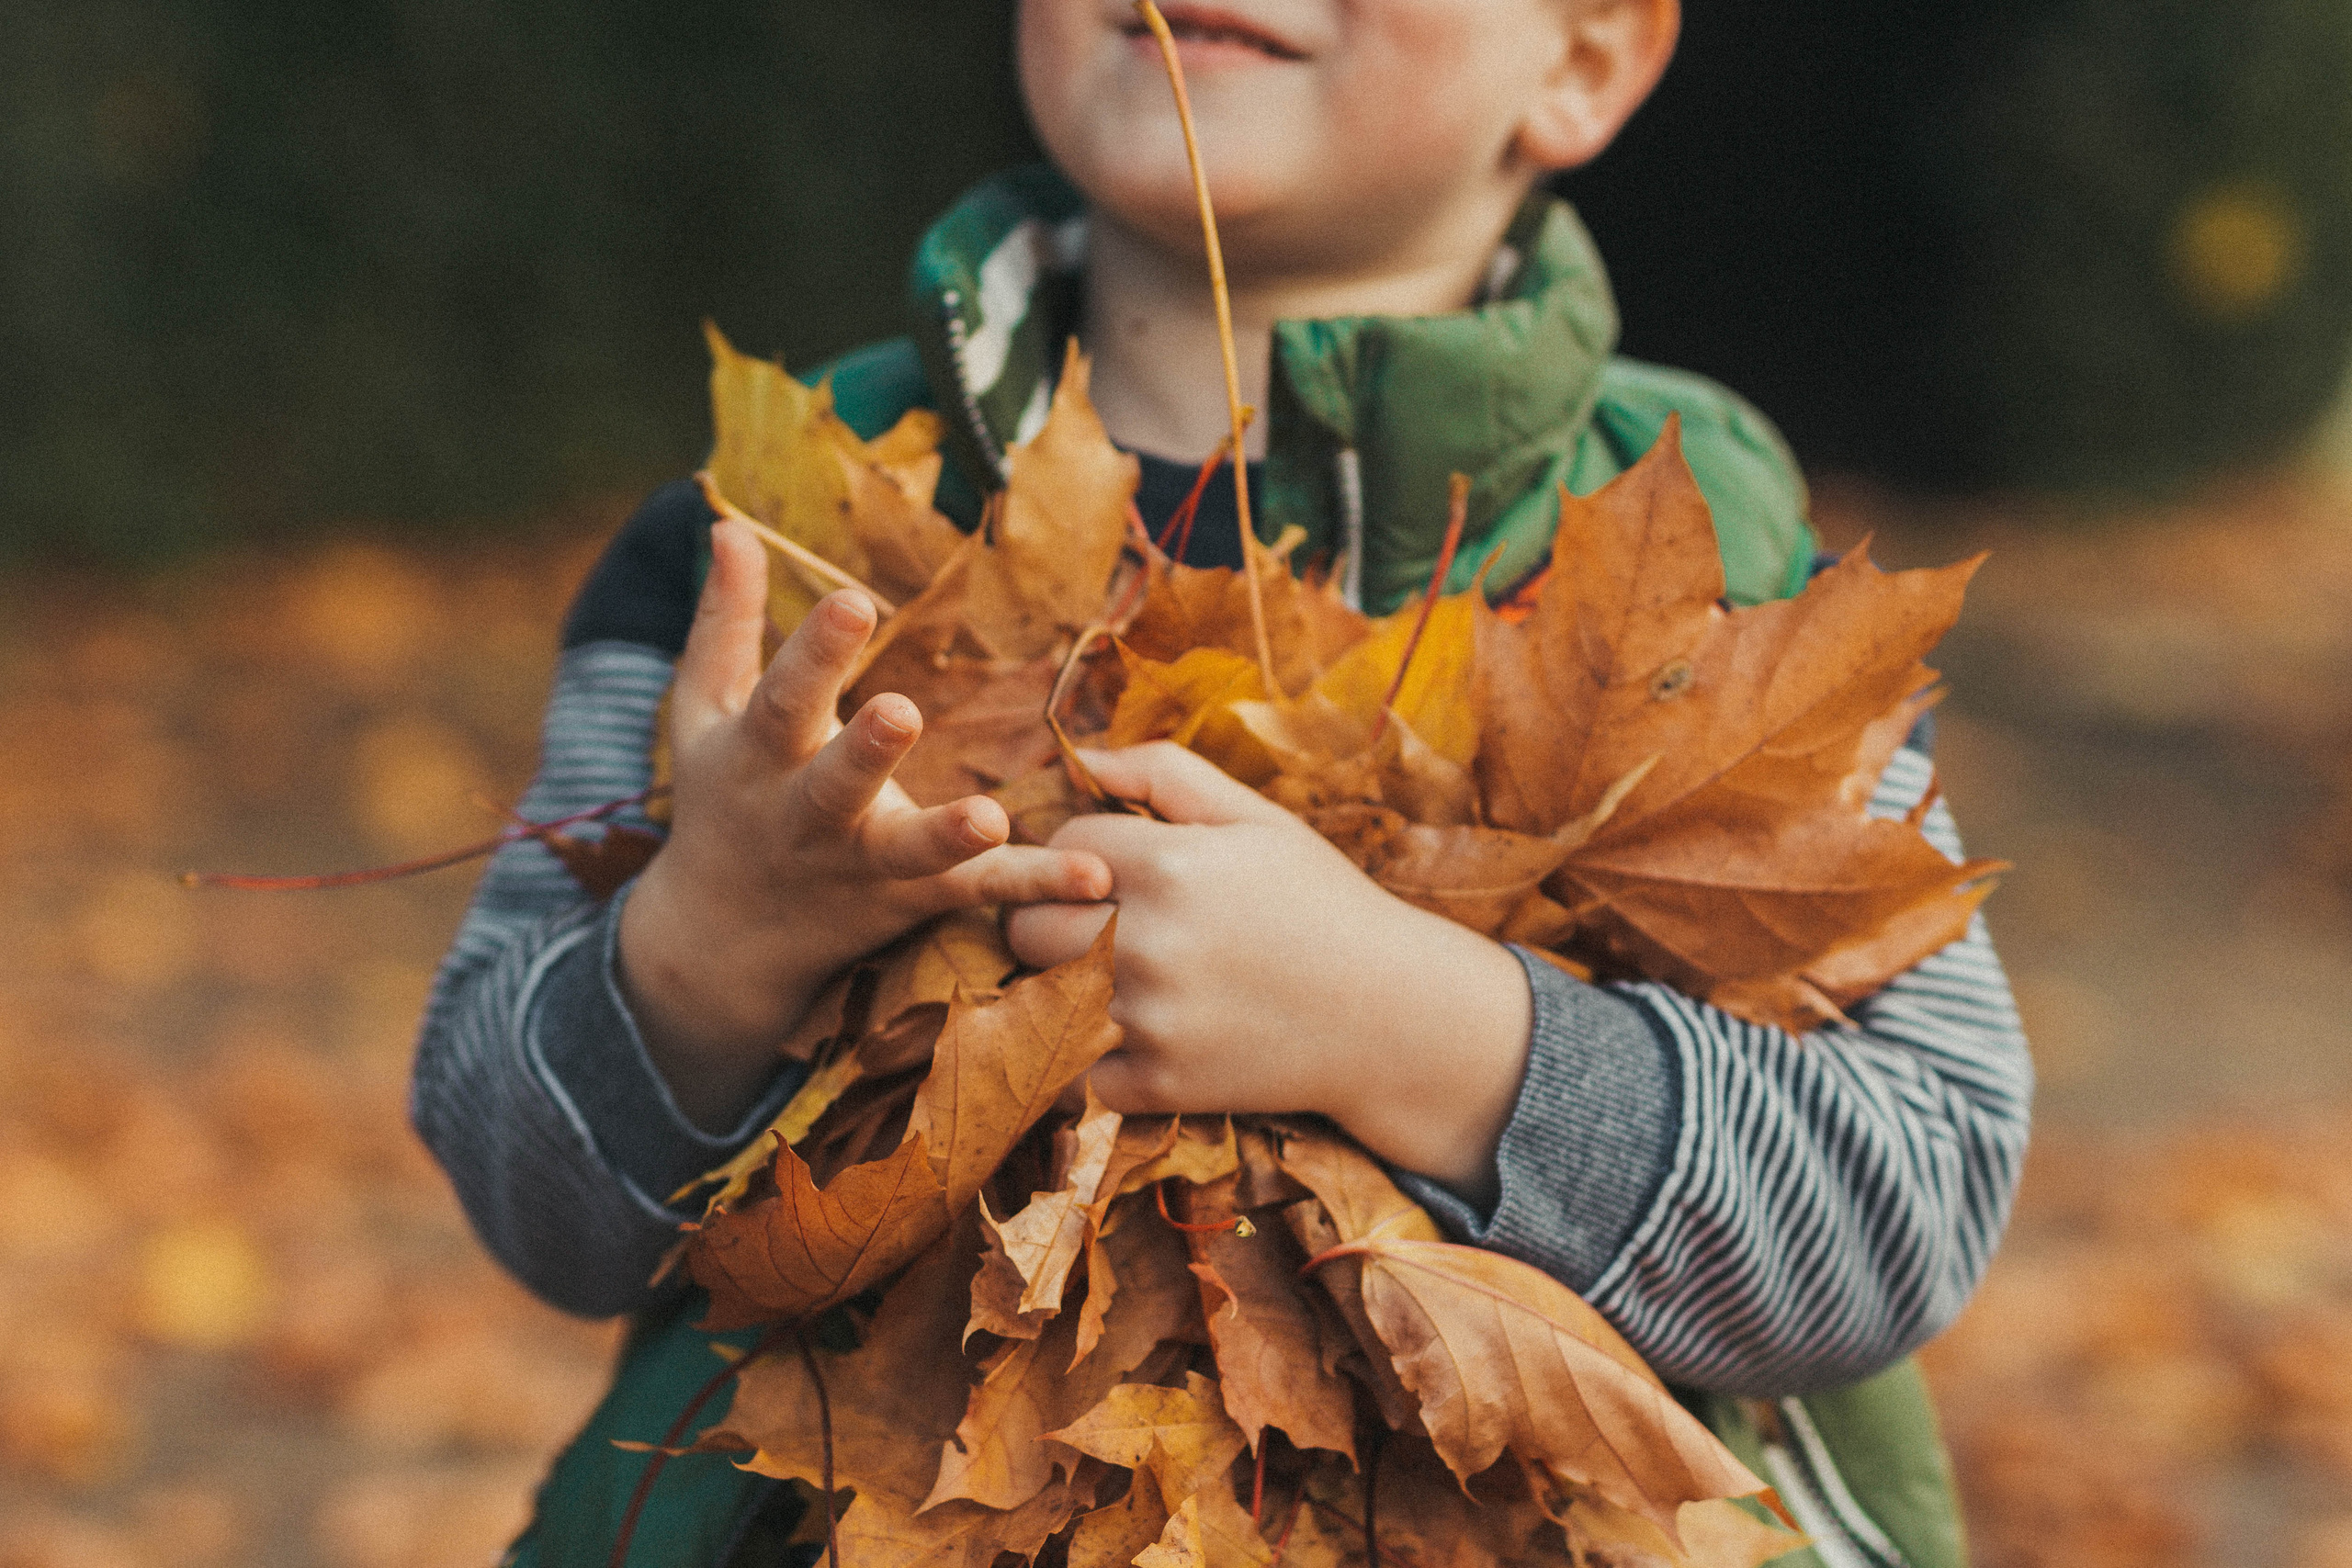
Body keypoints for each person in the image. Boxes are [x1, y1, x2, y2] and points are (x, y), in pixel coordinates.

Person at [413, 2, 2031, 1563]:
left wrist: (1422, 1031)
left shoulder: (1711, 579)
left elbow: (1911, 1187)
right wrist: (707, 949)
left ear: (1587, 54)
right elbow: (530, 1199)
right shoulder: (773, 546)